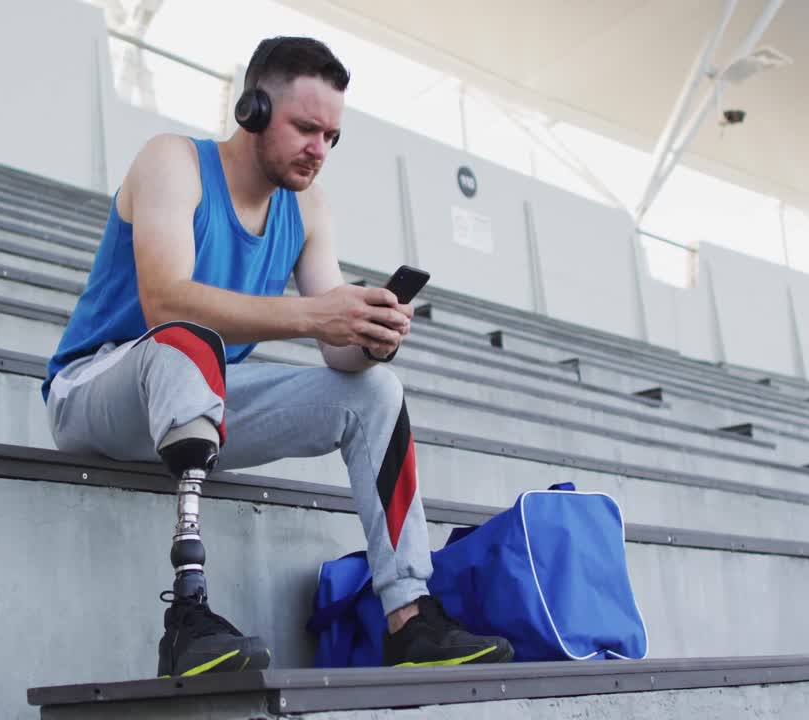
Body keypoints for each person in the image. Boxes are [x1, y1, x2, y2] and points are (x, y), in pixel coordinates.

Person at [43, 35, 512, 677]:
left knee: (376, 392)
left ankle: (408, 617)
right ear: (254, 111)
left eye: (332, 137)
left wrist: (368, 336)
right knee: (185, 339)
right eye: (306, 128)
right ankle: (187, 615)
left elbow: (336, 352)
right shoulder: (173, 161)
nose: (320, 150)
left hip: (200, 398)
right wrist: (319, 314)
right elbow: (164, 302)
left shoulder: (307, 208)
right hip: (96, 392)